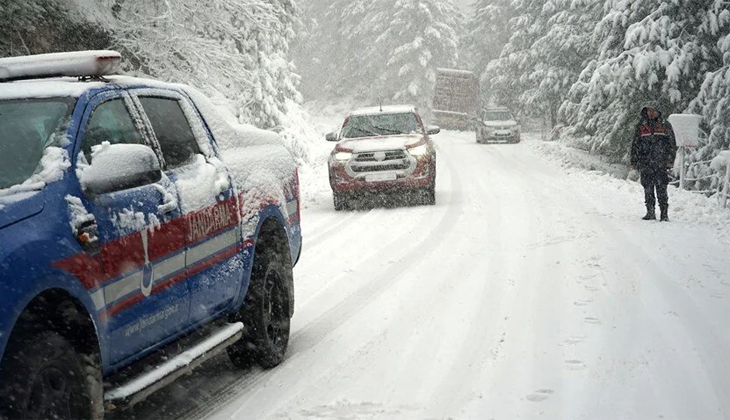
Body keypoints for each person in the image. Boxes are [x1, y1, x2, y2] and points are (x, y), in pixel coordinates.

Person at [630, 103, 677, 222]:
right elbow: (635, 144)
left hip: (660, 163)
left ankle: (664, 214)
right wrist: (634, 160)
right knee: (648, 188)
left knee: (662, 189)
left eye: (653, 110)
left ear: (658, 111)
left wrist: (670, 160)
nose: (651, 113)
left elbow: (671, 144)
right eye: (649, 111)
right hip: (645, 163)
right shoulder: (641, 126)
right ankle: (650, 211)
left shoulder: (665, 125)